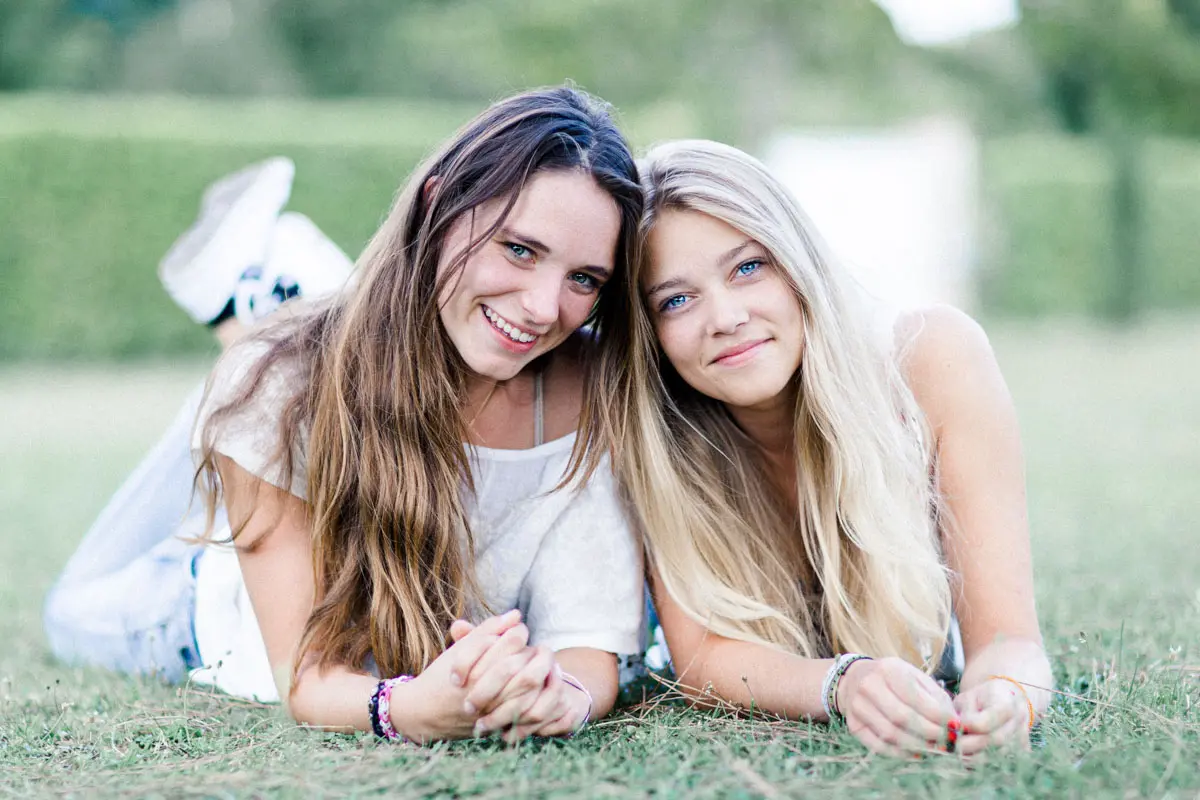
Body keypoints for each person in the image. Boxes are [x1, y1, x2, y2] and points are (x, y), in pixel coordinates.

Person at [44, 86, 647, 745]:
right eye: (519, 250)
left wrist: (562, 700)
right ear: (438, 205)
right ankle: (241, 317)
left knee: (271, 379)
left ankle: (260, 304)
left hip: (311, 382)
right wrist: (412, 708)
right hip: (201, 607)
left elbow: (587, 649)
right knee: (68, 611)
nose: (541, 306)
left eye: (584, 279)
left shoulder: (596, 393)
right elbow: (308, 680)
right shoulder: (280, 390)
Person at [596, 139, 1052, 757]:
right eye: (676, 300)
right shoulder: (652, 440)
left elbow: (1009, 641)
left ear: (797, 261)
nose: (725, 317)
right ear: (650, 336)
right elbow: (701, 657)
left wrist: (1005, 697)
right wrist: (844, 683)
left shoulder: (933, 360)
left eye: (747, 268)